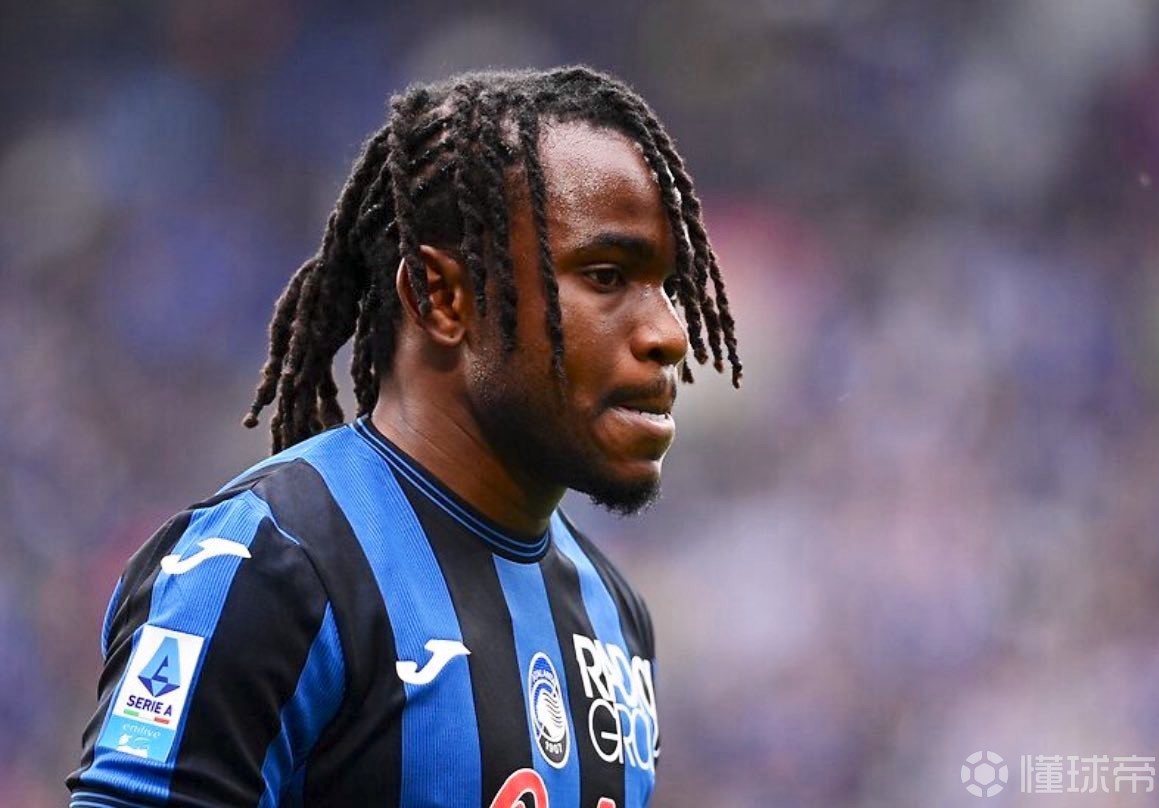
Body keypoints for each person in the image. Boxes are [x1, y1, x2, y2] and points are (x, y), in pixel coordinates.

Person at [68, 65, 740, 808]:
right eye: (607, 276)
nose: (669, 334)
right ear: (441, 297)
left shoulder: (614, 615)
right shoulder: (267, 566)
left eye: (666, 286)